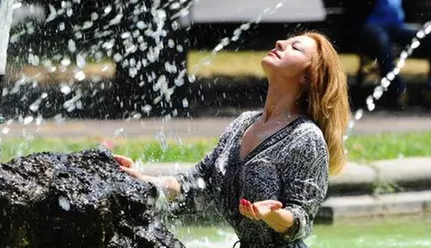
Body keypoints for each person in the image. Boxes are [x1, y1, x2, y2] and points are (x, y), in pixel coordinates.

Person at [115, 32, 350, 248]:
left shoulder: (306, 138)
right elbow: (194, 184)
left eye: (294, 48)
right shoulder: (243, 123)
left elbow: (301, 219)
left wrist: (272, 215)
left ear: (308, 77)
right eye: (285, 42)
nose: (280, 43)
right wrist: (142, 179)